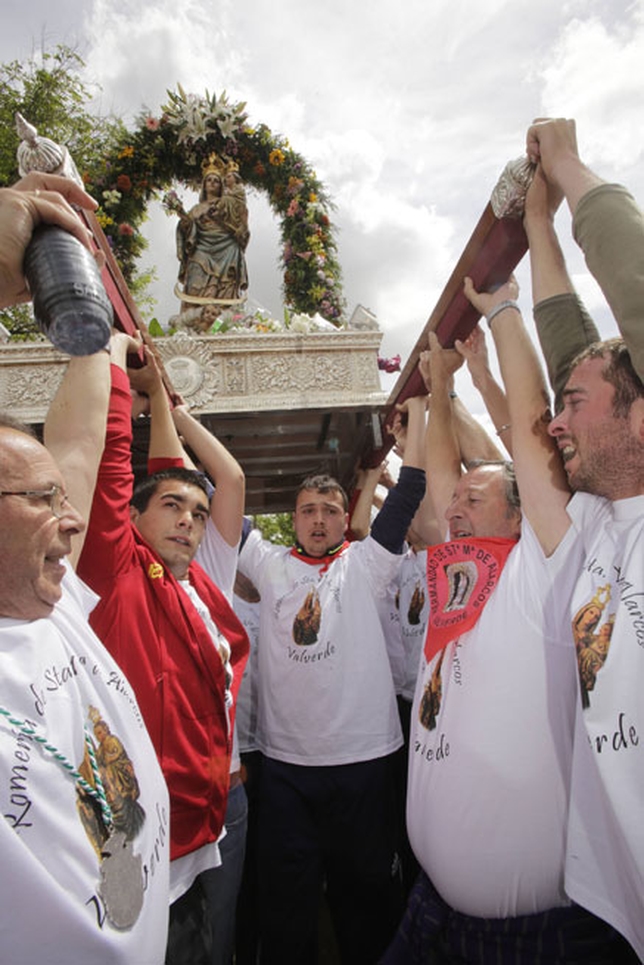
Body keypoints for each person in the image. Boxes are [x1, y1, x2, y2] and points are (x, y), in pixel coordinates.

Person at [383, 258, 635, 962]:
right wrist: (436, 389)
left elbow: (529, 434)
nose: (455, 505)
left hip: (530, 938)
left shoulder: (545, 571)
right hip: (433, 909)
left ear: (521, 511)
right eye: (457, 499)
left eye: (477, 496)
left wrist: (503, 311)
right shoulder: (453, 577)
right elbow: (437, 480)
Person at [0, 174, 170, 964]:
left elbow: (75, 444)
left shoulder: (52, 599)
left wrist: (97, 327)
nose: (73, 515)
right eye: (41, 498)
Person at [237, 397, 427, 964]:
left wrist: (417, 422)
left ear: (345, 519)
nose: (318, 520)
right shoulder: (267, 564)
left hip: (365, 764)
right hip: (287, 771)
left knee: (367, 899)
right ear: (293, 520)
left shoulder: (369, 565)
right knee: (288, 908)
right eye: (307, 510)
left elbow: (410, 490)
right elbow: (219, 496)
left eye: (328, 509)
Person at [76, 342, 249, 964]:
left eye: (198, 515)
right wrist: (119, 370)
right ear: (131, 518)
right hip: (144, 842)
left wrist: (161, 402)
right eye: (171, 509)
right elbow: (113, 473)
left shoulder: (196, 583)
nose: (188, 522)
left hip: (205, 824)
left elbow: (170, 474)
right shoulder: (118, 572)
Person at [522, 116, 644, 961]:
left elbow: (634, 284)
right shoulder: (601, 516)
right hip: (609, 904)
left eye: (575, 405)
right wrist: (535, 226)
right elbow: (571, 341)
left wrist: (566, 168)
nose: (552, 422)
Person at [175, 154, 249, 312]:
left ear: (221, 185)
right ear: (204, 185)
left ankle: (225, 319)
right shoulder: (197, 209)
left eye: (216, 180)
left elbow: (241, 227)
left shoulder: (228, 203)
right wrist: (181, 213)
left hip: (227, 248)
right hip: (201, 249)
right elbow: (187, 229)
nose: (212, 183)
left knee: (226, 287)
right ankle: (192, 317)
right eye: (209, 180)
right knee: (195, 279)